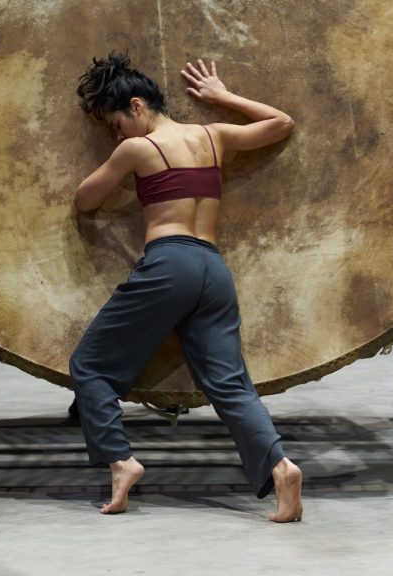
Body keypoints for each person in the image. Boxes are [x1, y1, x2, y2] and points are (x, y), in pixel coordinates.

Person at [68, 51, 302, 522]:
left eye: (115, 124)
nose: (116, 135)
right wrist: (222, 97)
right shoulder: (213, 136)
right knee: (230, 385)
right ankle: (281, 467)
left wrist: (118, 168)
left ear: (137, 106)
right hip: (212, 269)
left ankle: (121, 461)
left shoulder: (138, 149)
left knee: (89, 366)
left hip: (168, 263)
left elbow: (84, 200)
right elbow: (282, 123)